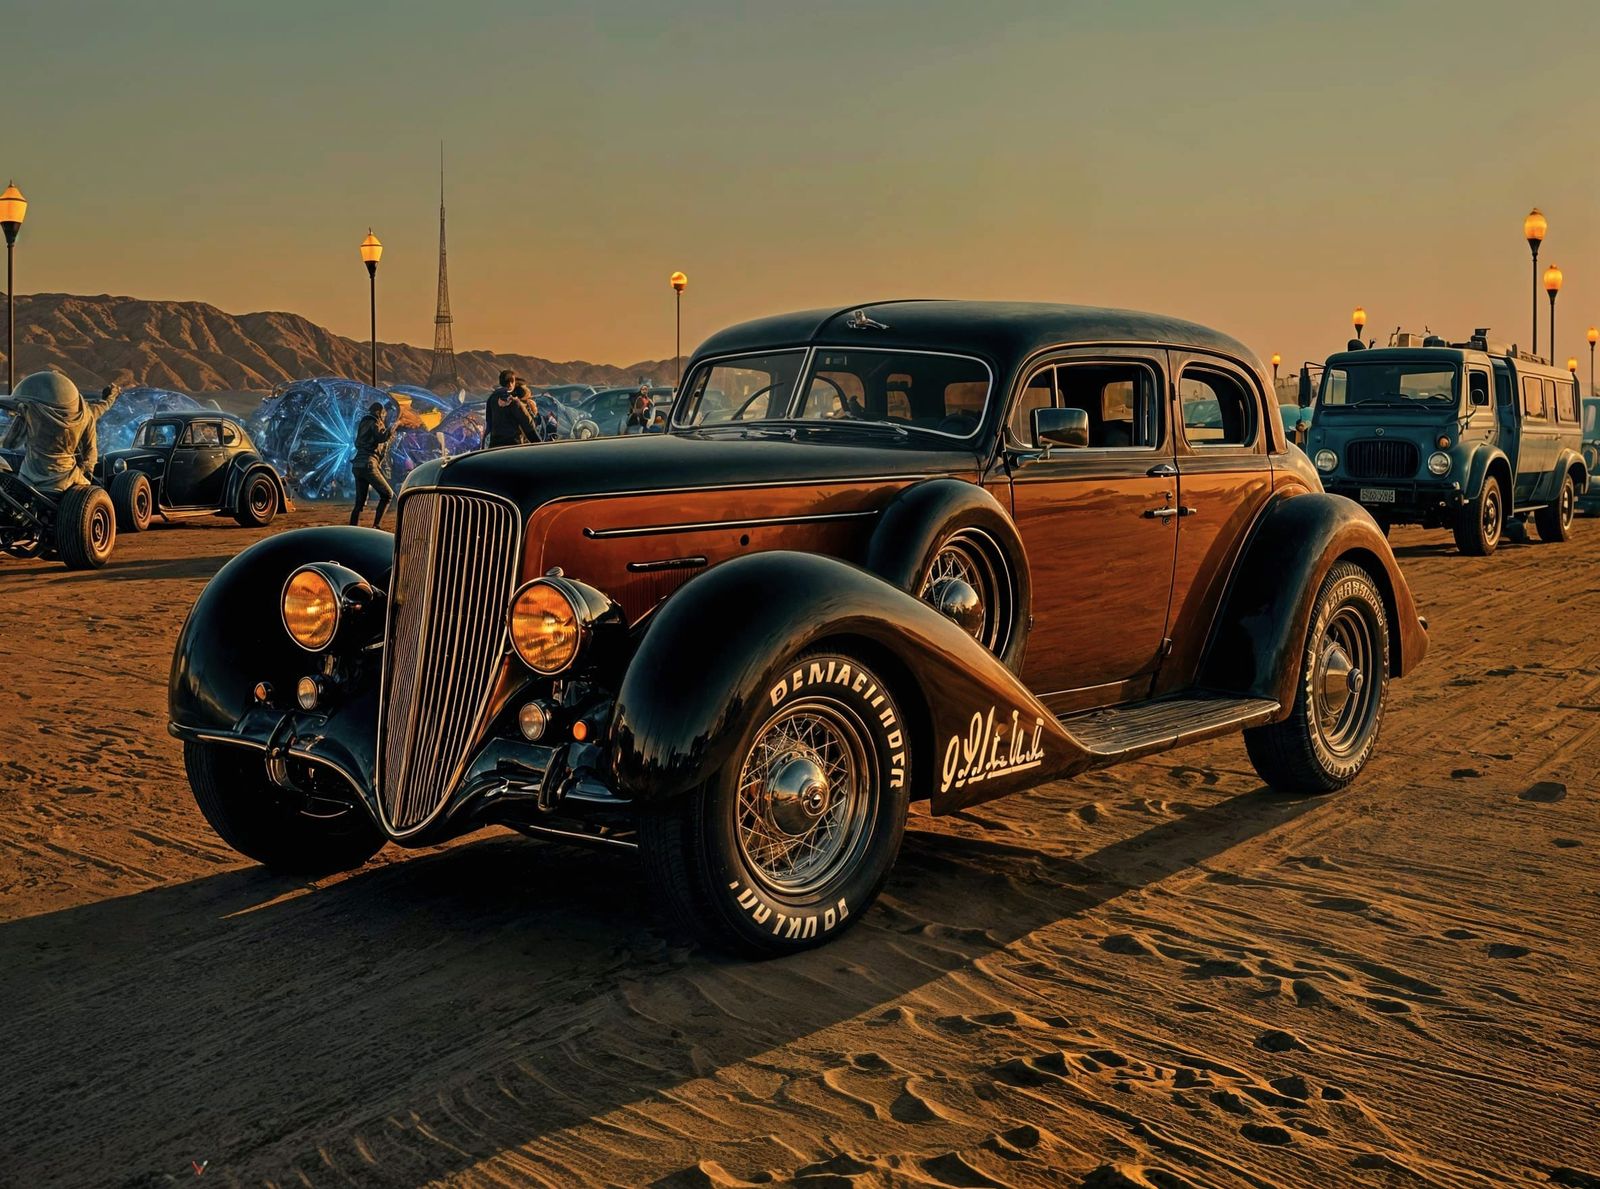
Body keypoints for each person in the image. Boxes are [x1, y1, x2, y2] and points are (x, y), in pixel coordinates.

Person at [0, 372, 119, 493]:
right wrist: (85, 473)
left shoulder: (31, 411)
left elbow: (9, 444)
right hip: (66, 482)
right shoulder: (84, 414)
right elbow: (90, 453)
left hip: (28, 479)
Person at [349, 401, 403, 527]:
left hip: (358, 465)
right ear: (378, 412)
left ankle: (351, 528)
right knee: (388, 495)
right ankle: (376, 526)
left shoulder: (363, 423)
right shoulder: (374, 422)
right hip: (368, 464)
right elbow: (381, 437)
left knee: (359, 504)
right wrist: (394, 426)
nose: (384, 416)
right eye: (383, 413)